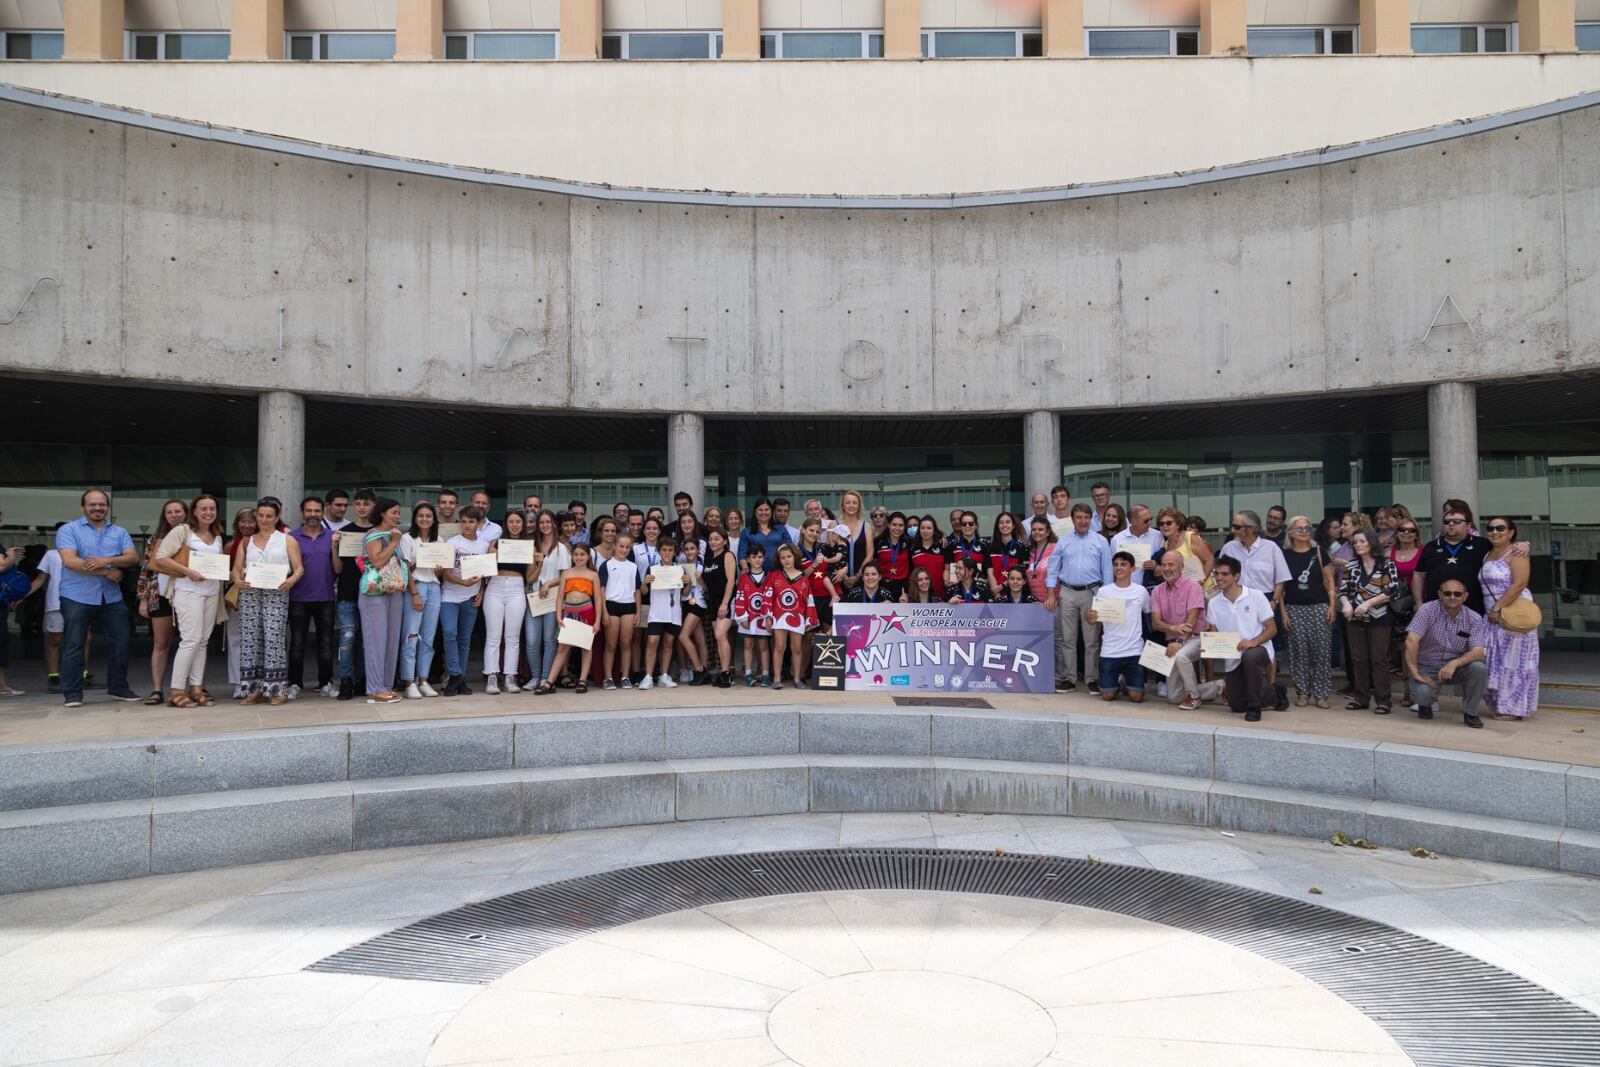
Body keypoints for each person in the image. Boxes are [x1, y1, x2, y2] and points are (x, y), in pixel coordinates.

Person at [56, 489, 140, 708]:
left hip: (111, 597)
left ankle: (118, 687)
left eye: (101, 504)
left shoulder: (120, 532)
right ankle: (72, 693)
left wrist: (107, 560)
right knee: (74, 645)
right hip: (76, 595)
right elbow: (70, 562)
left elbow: (132, 557)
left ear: (107, 506)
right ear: (83, 507)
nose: (97, 508)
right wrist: (107, 571)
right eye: (92, 504)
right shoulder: (69, 530)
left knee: (120, 643)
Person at [150, 494, 226, 708]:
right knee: (190, 640)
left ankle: (196, 688)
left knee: (202, 642)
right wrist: (188, 571)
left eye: (212, 509)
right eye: (203, 509)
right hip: (187, 591)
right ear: (194, 511)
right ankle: (176, 691)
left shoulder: (217, 535)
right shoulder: (183, 531)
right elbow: (161, 557)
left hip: (211, 592)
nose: (208, 512)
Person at [232, 497, 304, 706]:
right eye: (260, 515)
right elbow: (236, 569)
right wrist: (237, 580)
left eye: (268, 516)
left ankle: (277, 689)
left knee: (274, 639)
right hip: (250, 593)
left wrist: (291, 580)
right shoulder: (248, 541)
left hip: (277, 592)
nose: (264, 519)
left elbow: (299, 568)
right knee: (250, 641)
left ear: (277, 517)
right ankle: (254, 689)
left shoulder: (286, 539)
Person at [1221, 509, 1291, 708]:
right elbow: (1222, 577)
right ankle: (1241, 687)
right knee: (1239, 644)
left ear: (1250, 529)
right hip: (1237, 601)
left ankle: (1271, 687)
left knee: (1268, 649)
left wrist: (1275, 602)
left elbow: (1281, 578)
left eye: (1236, 526)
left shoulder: (1271, 548)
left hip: (1266, 601)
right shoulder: (1229, 548)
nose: (1232, 530)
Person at [1044, 503, 1113, 694]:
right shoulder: (1063, 541)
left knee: (1092, 640)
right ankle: (1069, 679)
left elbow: (1107, 570)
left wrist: (1105, 598)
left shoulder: (1101, 541)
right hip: (1067, 592)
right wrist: (1051, 592)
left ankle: (1092, 679)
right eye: (1078, 518)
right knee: (1068, 639)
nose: (1082, 521)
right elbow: (1053, 567)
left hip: (1093, 593)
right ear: (1073, 520)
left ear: (1090, 519)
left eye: (1085, 517)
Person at [1403, 577, 1489, 728]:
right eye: (1447, 593)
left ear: (1465, 596)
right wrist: (1415, 673)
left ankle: (1471, 712)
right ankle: (1425, 704)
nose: (1452, 597)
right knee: (1422, 695)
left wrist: (1454, 663)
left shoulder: (1474, 618)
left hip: (1456, 668)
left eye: (1457, 594)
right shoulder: (1427, 610)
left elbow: (1478, 652)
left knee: (1479, 668)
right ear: (1440, 595)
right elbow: (1411, 641)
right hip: (1427, 665)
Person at [1480, 516, 1540, 721]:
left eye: (1500, 528)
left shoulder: (1517, 552)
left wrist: (1498, 607)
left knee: (1515, 662)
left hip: (1512, 613)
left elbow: (1519, 584)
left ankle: (1514, 708)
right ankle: (1500, 704)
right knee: (1493, 660)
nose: (1494, 531)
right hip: (1492, 616)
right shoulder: (1487, 553)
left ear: (1511, 532)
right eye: (1490, 528)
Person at [1207, 556, 1277, 722]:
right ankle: (1275, 693)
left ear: (1237, 576)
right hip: (1233, 656)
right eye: (1216, 574)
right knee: (1236, 705)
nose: (1219, 578)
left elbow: (1272, 629)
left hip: (1259, 649)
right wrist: (1209, 642)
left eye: (1224, 574)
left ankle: (1254, 707)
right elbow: (1214, 635)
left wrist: (1253, 642)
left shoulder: (1256, 595)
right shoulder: (1214, 602)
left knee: (1250, 656)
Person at [1280, 515, 1336, 708]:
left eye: (1307, 527)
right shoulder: (1284, 554)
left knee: (1322, 652)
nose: (1304, 531)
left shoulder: (1318, 551)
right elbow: (1280, 587)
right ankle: (1303, 693)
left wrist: (1332, 605)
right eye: (1300, 528)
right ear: (1290, 532)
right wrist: (1284, 613)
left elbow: (1330, 580)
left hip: (1319, 606)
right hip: (1294, 608)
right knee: (1299, 653)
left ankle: (1321, 695)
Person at [1150, 552, 1219, 710]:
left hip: (1195, 638)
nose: (1167, 568)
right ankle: (1219, 687)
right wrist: (1173, 628)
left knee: (1180, 656)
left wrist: (1180, 641)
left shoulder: (1193, 586)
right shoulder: (1157, 591)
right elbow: (1156, 623)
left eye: (1171, 564)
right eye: (1164, 564)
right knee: (1174, 697)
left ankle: (1194, 697)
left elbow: (1192, 620)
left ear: (1181, 567)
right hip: (1172, 641)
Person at [1339, 529, 1397, 714]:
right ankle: (1361, 698)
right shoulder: (1352, 565)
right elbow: (1343, 591)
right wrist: (1346, 604)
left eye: (1362, 541)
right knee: (1358, 659)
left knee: (1379, 659)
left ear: (1371, 543)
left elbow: (1392, 591)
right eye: (1355, 542)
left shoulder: (1386, 563)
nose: (1358, 545)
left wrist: (1368, 603)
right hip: (1355, 618)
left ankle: (1384, 701)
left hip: (1380, 617)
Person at [136, 498, 188, 705]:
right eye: (170, 512)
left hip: (188, 592)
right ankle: (157, 689)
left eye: (178, 511)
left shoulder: (193, 537)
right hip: (160, 594)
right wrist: (143, 598)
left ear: (186, 513)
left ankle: (190, 687)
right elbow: (146, 570)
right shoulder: (155, 539)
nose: (174, 515)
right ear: (164, 516)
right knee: (161, 642)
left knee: (190, 642)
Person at [355, 498, 406, 703]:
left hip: (394, 590)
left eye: (398, 513)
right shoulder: (374, 535)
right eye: (394, 512)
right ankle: (375, 688)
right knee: (375, 640)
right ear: (382, 513)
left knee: (391, 639)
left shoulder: (396, 534)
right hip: (374, 593)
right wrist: (393, 542)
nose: (397, 516)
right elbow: (376, 562)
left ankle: (386, 685)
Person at [535, 541, 602, 695]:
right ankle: (549, 682)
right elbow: (560, 598)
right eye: (576, 554)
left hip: (587, 612)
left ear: (588, 557)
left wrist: (597, 621)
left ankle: (582, 680)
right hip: (569, 613)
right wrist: (559, 616)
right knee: (562, 648)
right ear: (572, 556)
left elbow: (598, 599)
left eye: (582, 554)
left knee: (586, 647)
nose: (579, 557)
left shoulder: (593, 575)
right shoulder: (566, 574)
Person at [286, 496, 337, 699]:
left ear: (322, 512)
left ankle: (326, 683)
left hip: (325, 597)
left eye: (317, 511)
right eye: (309, 511)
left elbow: (338, 567)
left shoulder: (333, 537)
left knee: (325, 644)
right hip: (298, 597)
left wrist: (335, 547)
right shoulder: (291, 537)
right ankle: (294, 683)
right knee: (297, 644)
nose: (313, 514)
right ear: (302, 513)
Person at [330, 488, 376, 700]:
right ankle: (346, 680)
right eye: (358, 503)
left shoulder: (378, 532)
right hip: (348, 592)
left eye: (366, 503)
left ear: (373, 505)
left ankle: (363, 679)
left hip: (373, 593)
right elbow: (338, 569)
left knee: (368, 639)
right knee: (347, 638)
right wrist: (334, 546)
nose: (362, 507)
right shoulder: (346, 532)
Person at [439, 506, 489, 696]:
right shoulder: (451, 543)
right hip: (450, 595)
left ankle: (459, 680)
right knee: (449, 633)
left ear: (478, 523)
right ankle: (455, 674)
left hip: (471, 598)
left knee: (464, 640)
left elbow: (486, 574)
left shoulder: (484, 545)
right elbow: (445, 573)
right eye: (464, 521)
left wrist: (481, 592)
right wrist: (463, 582)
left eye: (471, 522)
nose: (467, 525)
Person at [1087, 551, 1150, 702]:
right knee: (1108, 696)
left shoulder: (1141, 591)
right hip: (1110, 649)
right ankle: (1121, 681)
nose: (1118, 568)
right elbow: (1093, 619)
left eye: (1123, 564)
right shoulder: (1103, 591)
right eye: (1115, 564)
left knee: (1137, 698)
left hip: (1134, 649)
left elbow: (1150, 612)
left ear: (1133, 568)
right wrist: (1089, 617)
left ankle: (1127, 682)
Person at [396, 501, 443, 700]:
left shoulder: (439, 540)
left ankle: (423, 679)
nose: (425, 519)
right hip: (415, 587)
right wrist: (414, 594)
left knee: (429, 638)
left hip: (434, 588)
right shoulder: (407, 539)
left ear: (434, 520)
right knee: (411, 636)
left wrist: (441, 569)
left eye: (428, 516)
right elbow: (405, 569)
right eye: (421, 515)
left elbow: (440, 572)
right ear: (415, 518)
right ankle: (409, 681)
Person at [480, 510, 530, 695]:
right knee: (493, 636)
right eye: (511, 521)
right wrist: (491, 555)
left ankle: (510, 676)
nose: (515, 524)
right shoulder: (496, 543)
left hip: (517, 588)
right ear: (506, 524)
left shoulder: (528, 546)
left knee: (513, 637)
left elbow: (531, 576)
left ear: (523, 524)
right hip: (495, 586)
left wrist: (537, 562)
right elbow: (485, 569)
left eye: (518, 521)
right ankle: (492, 676)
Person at [523, 509, 571, 694]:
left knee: (549, 640)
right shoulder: (533, 547)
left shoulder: (561, 548)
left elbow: (565, 576)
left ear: (553, 524)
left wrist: (549, 583)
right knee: (532, 640)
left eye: (547, 522)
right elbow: (529, 578)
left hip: (553, 598)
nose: (544, 525)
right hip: (534, 597)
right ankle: (535, 676)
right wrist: (540, 565)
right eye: (541, 522)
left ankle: (545, 678)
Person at [1412, 500, 1490, 614]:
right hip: (1436, 612)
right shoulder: (1431, 547)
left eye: (1457, 521)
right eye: (1447, 521)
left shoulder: (1482, 544)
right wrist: (1418, 603)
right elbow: (1419, 575)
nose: (1451, 524)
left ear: (1468, 525)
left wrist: (1523, 545)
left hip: (1472, 611)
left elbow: (1504, 550)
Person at [767, 543, 818, 690]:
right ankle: (777, 678)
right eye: (783, 558)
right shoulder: (774, 576)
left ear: (794, 557)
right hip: (779, 617)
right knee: (779, 646)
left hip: (798, 617)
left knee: (796, 648)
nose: (786, 560)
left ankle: (797, 678)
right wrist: (768, 616)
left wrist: (810, 619)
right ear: (779, 560)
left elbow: (809, 600)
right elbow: (768, 597)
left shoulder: (803, 578)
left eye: (789, 556)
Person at [640, 536, 688, 690]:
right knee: (652, 643)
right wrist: (645, 582)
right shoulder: (652, 569)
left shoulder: (680, 569)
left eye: (670, 550)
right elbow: (643, 592)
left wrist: (690, 582)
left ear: (674, 552)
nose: (667, 553)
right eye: (664, 550)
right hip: (656, 612)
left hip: (673, 612)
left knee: (668, 643)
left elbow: (686, 593)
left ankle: (664, 675)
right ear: (659, 552)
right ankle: (648, 676)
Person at [599, 533, 640, 689]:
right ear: (615, 546)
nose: (624, 549)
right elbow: (601, 591)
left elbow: (636, 591)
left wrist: (637, 611)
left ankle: (625, 677)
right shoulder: (606, 565)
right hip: (611, 606)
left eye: (627, 547)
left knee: (626, 643)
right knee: (611, 644)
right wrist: (604, 611)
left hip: (628, 606)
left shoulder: (633, 566)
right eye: (621, 546)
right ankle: (608, 677)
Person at [733, 543, 774, 686]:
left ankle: (765, 674)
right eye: (754, 557)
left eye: (760, 557)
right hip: (748, 618)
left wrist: (768, 616)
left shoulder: (769, 577)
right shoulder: (744, 578)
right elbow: (739, 597)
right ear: (748, 560)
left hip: (762, 618)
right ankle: (749, 673)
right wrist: (742, 617)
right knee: (748, 645)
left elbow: (771, 598)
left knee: (763, 646)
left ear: (764, 559)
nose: (757, 559)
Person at [702, 527, 737, 688]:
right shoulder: (708, 559)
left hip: (726, 601)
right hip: (713, 602)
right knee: (718, 638)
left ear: (724, 540)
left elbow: (730, 581)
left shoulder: (728, 555)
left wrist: (725, 603)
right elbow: (708, 586)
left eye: (717, 538)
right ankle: (724, 673)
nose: (713, 541)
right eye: (710, 539)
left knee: (720, 634)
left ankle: (727, 673)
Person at [1156, 507, 1213, 597]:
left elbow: (1209, 560)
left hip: (1204, 591)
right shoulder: (1166, 545)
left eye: (1169, 523)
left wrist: (1201, 581)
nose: (1165, 526)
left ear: (1178, 525)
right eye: (1161, 524)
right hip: (1185, 593)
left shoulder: (1189, 537)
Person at [678, 537, 709, 684]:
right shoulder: (682, 568)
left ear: (698, 550)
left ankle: (698, 669)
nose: (690, 552)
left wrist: (701, 579)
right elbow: (684, 594)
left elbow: (709, 589)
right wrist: (689, 583)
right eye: (687, 549)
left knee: (683, 636)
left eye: (692, 548)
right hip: (687, 603)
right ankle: (705, 670)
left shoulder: (704, 566)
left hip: (699, 603)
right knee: (699, 639)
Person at [1112, 505, 1163, 589]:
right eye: (1146, 520)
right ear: (1133, 521)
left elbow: (1163, 563)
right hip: (1125, 590)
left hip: (1151, 588)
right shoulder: (1117, 539)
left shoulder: (1157, 536)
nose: (1150, 523)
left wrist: (1156, 566)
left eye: (1151, 519)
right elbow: (1112, 568)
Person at [835, 490, 873, 594]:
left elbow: (869, 555)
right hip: (838, 580)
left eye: (854, 503)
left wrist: (857, 576)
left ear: (859, 506)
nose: (851, 506)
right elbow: (832, 553)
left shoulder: (866, 526)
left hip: (862, 580)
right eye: (848, 502)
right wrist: (844, 576)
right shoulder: (834, 525)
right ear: (843, 505)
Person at [943, 511, 988, 590]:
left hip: (979, 589)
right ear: (960, 526)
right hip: (957, 588)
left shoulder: (985, 545)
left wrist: (986, 580)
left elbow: (989, 570)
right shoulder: (952, 545)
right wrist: (947, 581)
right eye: (964, 524)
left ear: (976, 526)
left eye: (970, 523)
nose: (967, 526)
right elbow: (947, 569)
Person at [875, 512, 912, 599]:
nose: (897, 528)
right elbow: (873, 562)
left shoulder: (909, 542)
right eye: (894, 524)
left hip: (903, 587)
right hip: (882, 584)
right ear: (888, 525)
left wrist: (940, 536)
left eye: (901, 525)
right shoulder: (879, 541)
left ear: (904, 527)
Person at [986, 512, 1027, 591]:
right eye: (1001, 523)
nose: (1004, 525)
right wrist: (996, 593)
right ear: (997, 526)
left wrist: (1000, 587)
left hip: (1015, 592)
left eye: (1008, 522)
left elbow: (1021, 573)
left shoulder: (1021, 547)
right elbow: (990, 573)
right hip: (995, 592)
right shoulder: (990, 547)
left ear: (1013, 526)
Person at [909, 517, 947, 600]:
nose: (925, 531)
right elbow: (910, 573)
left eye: (929, 528)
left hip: (941, 595)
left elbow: (948, 569)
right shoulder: (912, 549)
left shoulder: (943, 546)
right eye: (922, 528)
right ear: (919, 530)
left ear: (934, 530)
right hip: (919, 597)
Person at [1025, 517, 1056, 604]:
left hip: (1052, 602)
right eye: (1034, 529)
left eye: (1040, 529)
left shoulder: (1056, 548)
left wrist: (1052, 597)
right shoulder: (1029, 551)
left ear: (1048, 532)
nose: (1037, 532)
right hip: (1034, 602)